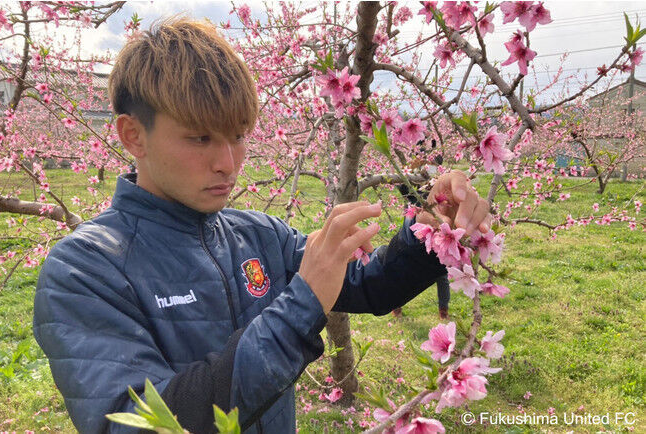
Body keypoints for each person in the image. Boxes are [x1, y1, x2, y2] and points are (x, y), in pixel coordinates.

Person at [32, 18, 492, 434]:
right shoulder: (82, 272)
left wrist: (431, 233)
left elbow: (367, 287)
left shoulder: (258, 235)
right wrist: (301, 306)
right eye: (200, 138)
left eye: (238, 135)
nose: (228, 164)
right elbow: (140, 425)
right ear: (133, 135)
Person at [393, 139, 450, 320]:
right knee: (405, 266)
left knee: (440, 271)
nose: (428, 163)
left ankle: (443, 310)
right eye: (425, 159)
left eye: (432, 161)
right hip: (413, 226)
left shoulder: (440, 179)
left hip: (434, 228)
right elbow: (403, 189)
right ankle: (396, 304)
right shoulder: (414, 175)